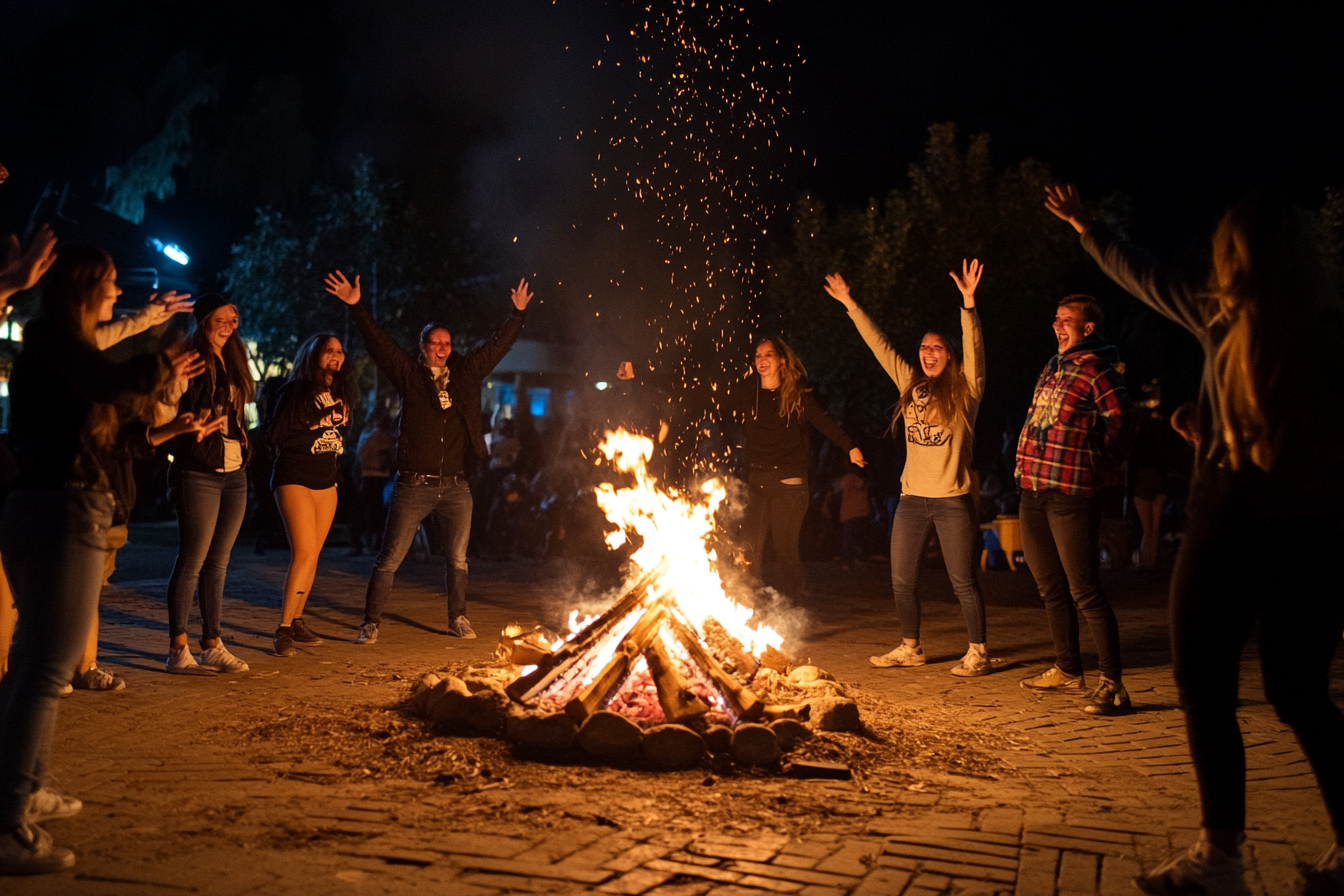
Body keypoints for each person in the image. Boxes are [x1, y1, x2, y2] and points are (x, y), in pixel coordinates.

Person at [1047, 184, 1344, 895]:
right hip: (1314, 531)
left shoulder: (1223, 315)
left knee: (1203, 683)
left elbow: (1141, 273)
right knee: (1300, 691)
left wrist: (1089, 225)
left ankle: (1220, 860)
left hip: (1230, 518)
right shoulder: (1331, 331)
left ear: (1231, 256)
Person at [0, 244, 201, 874]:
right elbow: (100, 380)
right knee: (46, 671)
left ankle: (25, 791)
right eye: (111, 283)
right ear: (86, 288)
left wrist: (154, 356)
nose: (118, 292)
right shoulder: (58, 347)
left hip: (35, 507)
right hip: (65, 509)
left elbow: (98, 373)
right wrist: (158, 361)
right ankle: (7, 823)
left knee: (31, 661)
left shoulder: (50, 345)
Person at [324, 270, 532, 643]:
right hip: (413, 484)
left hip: (455, 486)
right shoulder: (408, 373)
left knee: (457, 559)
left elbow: (495, 347)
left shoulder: (465, 374)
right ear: (422, 346)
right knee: (390, 557)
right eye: (434, 342)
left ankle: (458, 618)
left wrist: (516, 316)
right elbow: (380, 344)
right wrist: (357, 308)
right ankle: (370, 622)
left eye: (447, 343)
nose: (442, 348)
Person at [826, 261, 992, 676]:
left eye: (936, 348)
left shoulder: (967, 390)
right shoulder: (910, 385)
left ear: (949, 356)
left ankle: (978, 652)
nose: (927, 353)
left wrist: (968, 305)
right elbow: (879, 345)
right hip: (912, 499)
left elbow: (976, 351)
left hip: (952, 499)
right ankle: (910, 646)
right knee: (901, 580)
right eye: (923, 348)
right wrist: (850, 303)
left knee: (962, 582)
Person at [156, 294, 256, 675]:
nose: (229, 325)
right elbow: (171, 409)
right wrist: (193, 428)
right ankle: (178, 649)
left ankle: (212, 643)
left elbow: (237, 416)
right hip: (197, 471)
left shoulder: (234, 361)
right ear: (204, 321)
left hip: (234, 472)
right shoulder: (192, 360)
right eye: (221, 318)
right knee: (192, 560)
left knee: (219, 563)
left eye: (234, 318)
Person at [729, 335, 864, 598]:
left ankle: (793, 609)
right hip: (756, 479)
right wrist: (642, 373)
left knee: (785, 549)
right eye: (757, 355)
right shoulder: (748, 392)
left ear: (781, 360)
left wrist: (850, 446)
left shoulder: (797, 396)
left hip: (789, 482)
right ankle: (749, 609)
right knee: (750, 550)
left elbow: (824, 422)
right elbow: (702, 390)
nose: (761, 360)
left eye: (768, 355)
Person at [268, 333, 352, 657]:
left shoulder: (336, 393)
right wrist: (320, 419)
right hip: (295, 478)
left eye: (340, 350)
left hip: (325, 480)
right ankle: (283, 629)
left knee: (314, 555)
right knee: (303, 553)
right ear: (312, 355)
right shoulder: (295, 390)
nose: (336, 355)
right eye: (328, 350)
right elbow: (276, 434)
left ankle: (298, 619)